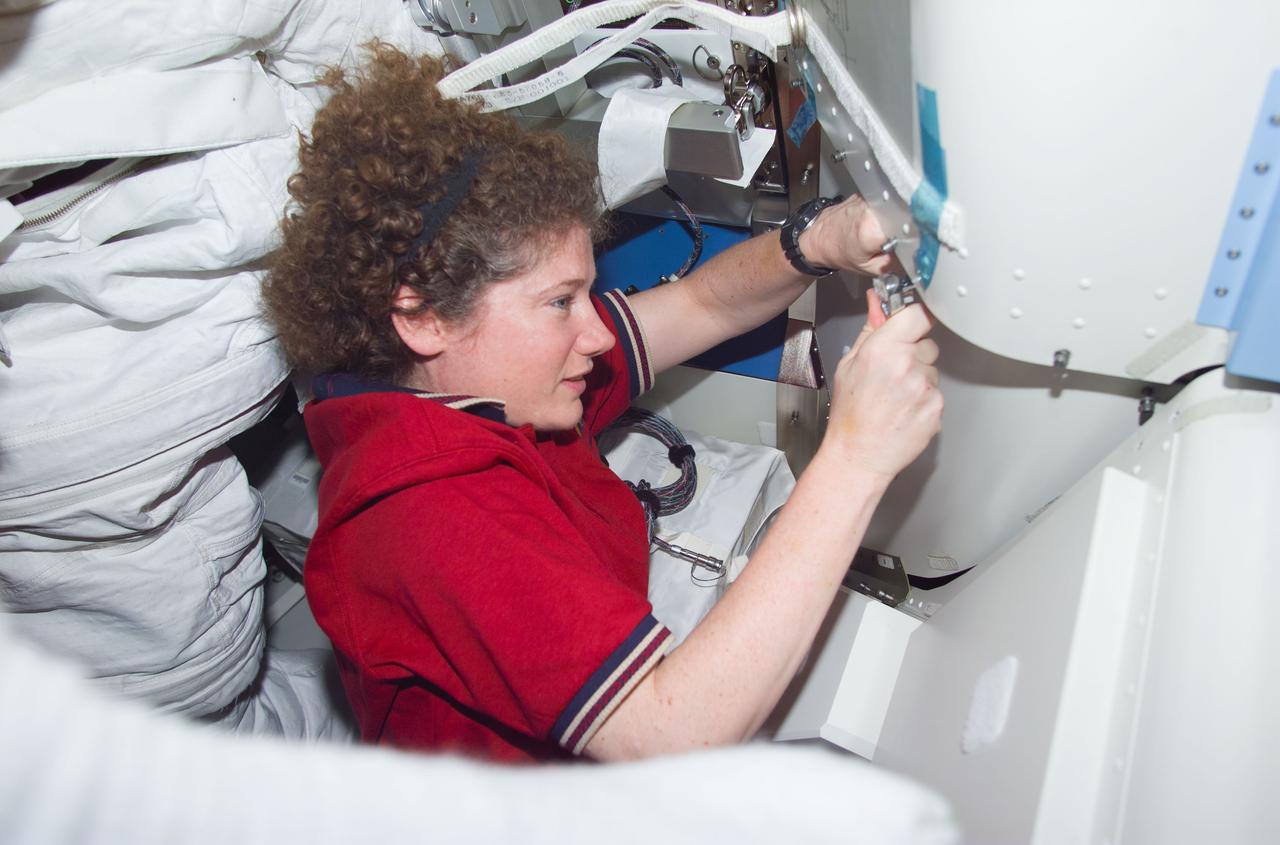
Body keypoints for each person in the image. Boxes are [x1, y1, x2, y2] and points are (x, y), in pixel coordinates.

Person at [262, 44, 942, 763]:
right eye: (560, 302)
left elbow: (700, 302)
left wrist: (817, 240)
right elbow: (668, 733)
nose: (596, 330)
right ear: (424, 318)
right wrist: (856, 457)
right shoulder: (426, 517)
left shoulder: (490, 382)